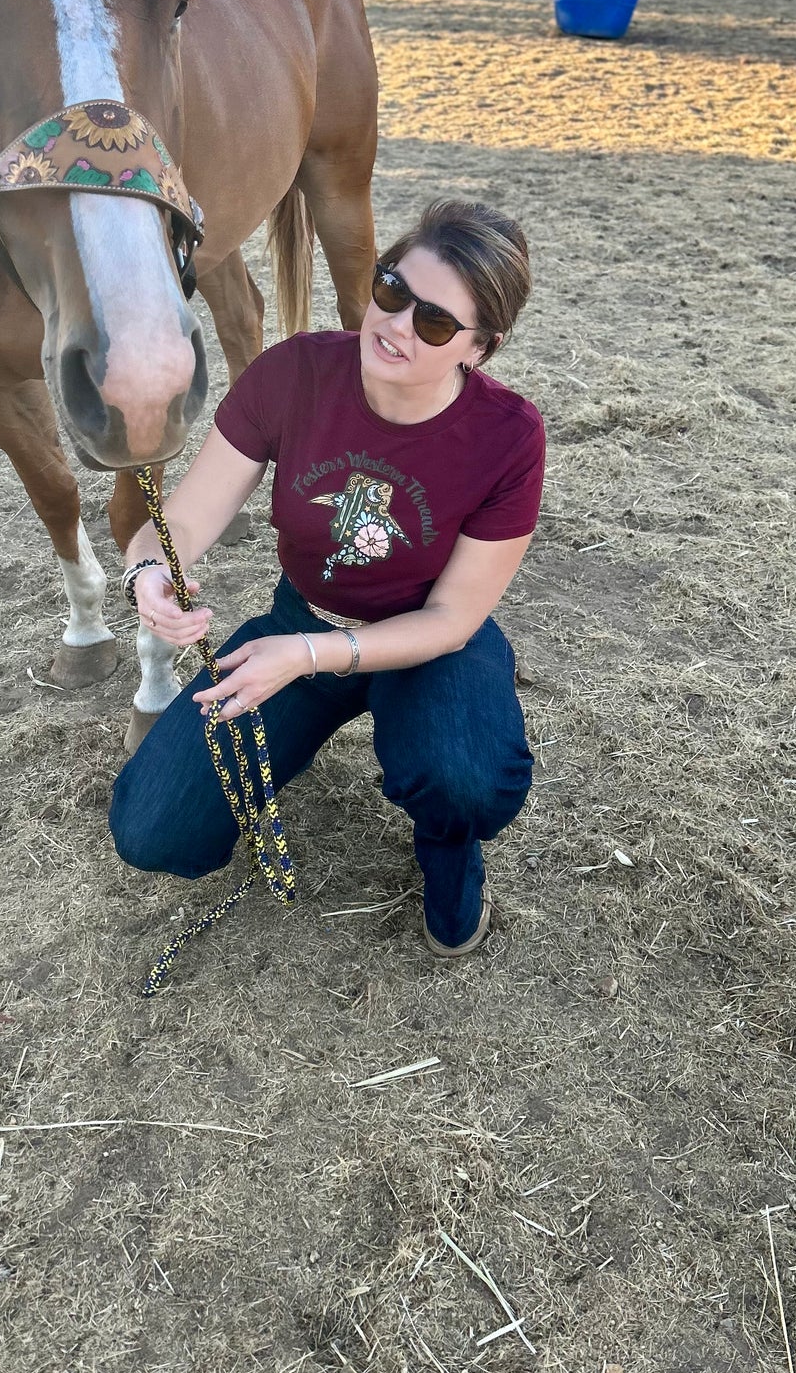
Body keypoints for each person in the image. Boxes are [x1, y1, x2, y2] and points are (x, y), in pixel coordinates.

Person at [109, 197, 546, 957]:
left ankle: (446, 842)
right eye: (391, 290)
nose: (398, 325)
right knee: (152, 828)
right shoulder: (295, 372)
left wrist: (311, 656)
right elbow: (178, 522)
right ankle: (283, 749)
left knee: (466, 781)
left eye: (436, 323)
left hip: (426, 641)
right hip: (300, 617)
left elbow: (450, 619)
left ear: (480, 348)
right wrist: (148, 573)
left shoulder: (507, 436)